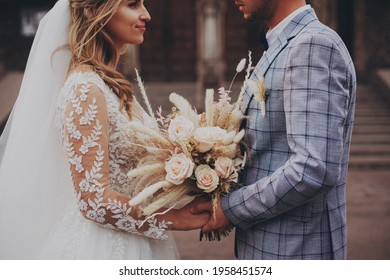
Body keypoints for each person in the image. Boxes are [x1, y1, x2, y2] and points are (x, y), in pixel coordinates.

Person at [0, 0, 209, 259]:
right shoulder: (85, 90)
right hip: (103, 248)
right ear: (97, 11)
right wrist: (173, 219)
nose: (147, 15)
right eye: (133, 4)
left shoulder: (107, 85)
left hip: (135, 238)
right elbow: (94, 200)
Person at [194, 0, 357, 259]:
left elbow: (312, 168)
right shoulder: (283, 43)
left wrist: (232, 209)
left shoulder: (312, 45)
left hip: (297, 252)